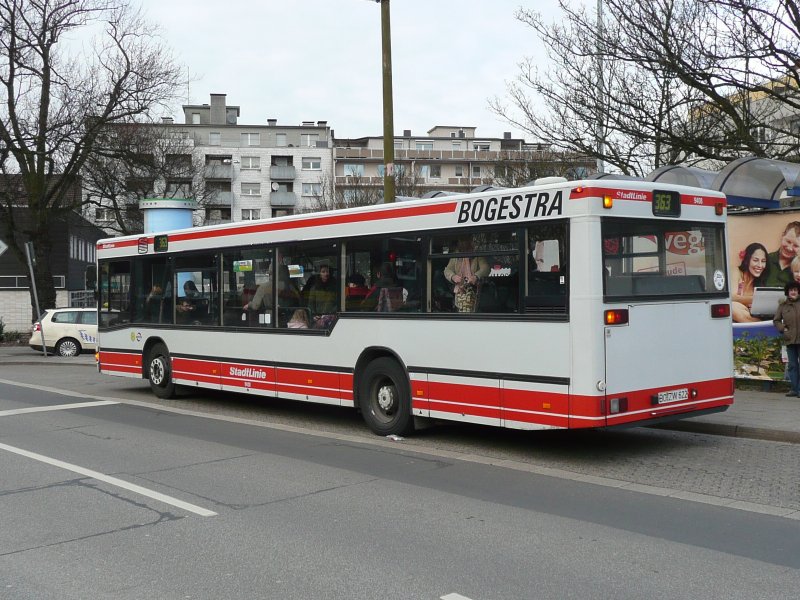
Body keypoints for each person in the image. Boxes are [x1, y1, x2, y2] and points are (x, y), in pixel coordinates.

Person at [443, 237, 489, 312]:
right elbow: (447, 270)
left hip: (474, 290)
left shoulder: (477, 254)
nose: (463, 244)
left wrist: (476, 276)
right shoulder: (456, 255)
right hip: (459, 291)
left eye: (466, 242)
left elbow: (486, 268)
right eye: (461, 242)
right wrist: (453, 276)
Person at [773, 281, 800, 397]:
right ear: (787, 292)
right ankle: (794, 389)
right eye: (791, 290)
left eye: (795, 290)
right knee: (793, 365)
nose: (793, 292)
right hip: (790, 339)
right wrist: (783, 329)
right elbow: (776, 320)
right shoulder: (783, 305)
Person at [732, 242, 769, 323]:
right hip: (737, 319)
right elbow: (731, 297)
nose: (760, 265)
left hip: (752, 318)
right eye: (755, 260)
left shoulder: (761, 281)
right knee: (732, 307)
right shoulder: (737, 272)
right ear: (747, 260)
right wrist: (756, 299)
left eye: (763, 261)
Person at [764, 222, 800, 287]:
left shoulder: (798, 267)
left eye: (796, 245)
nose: (789, 248)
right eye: (788, 241)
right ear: (783, 236)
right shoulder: (766, 259)